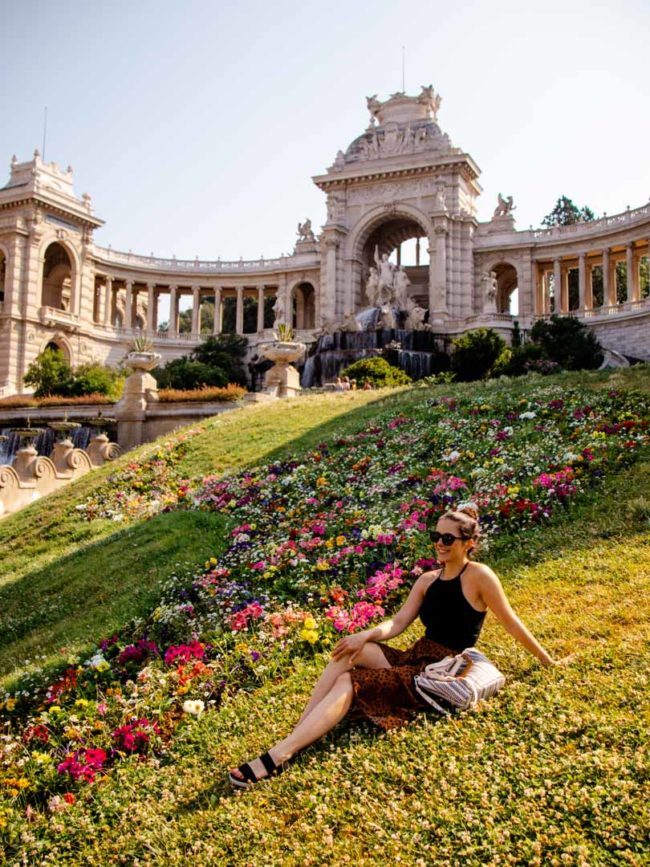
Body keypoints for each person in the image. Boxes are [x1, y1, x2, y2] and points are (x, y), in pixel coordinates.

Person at [229, 505, 557, 789]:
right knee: (351, 653)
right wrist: (364, 635)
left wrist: (547, 661)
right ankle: (300, 731)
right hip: (415, 658)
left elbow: (511, 621)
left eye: (448, 539)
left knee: (349, 681)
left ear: (468, 543)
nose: (439, 544)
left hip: (439, 673)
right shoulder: (427, 580)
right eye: (436, 536)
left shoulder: (479, 576)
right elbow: (398, 623)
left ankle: (281, 754)